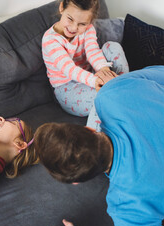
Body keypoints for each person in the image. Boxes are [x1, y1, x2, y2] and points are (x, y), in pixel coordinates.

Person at [34, 65, 164, 226]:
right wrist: (120, 84)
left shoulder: (127, 205)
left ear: (76, 182)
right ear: (90, 130)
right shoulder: (110, 95)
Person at [42, 0, 128, 131]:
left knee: (112, 46)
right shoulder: (50, 40)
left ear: (90, 21)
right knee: (104, 96)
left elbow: (93, 51)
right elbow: (69, 70)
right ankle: (93, 138)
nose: (74, 28)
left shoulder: (88, 29)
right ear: (61, 8)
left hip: (90, 76)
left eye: (82, 24)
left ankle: (122, 85)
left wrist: (103, 69)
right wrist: (96, 81)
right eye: (70, 19)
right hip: (67, 89)